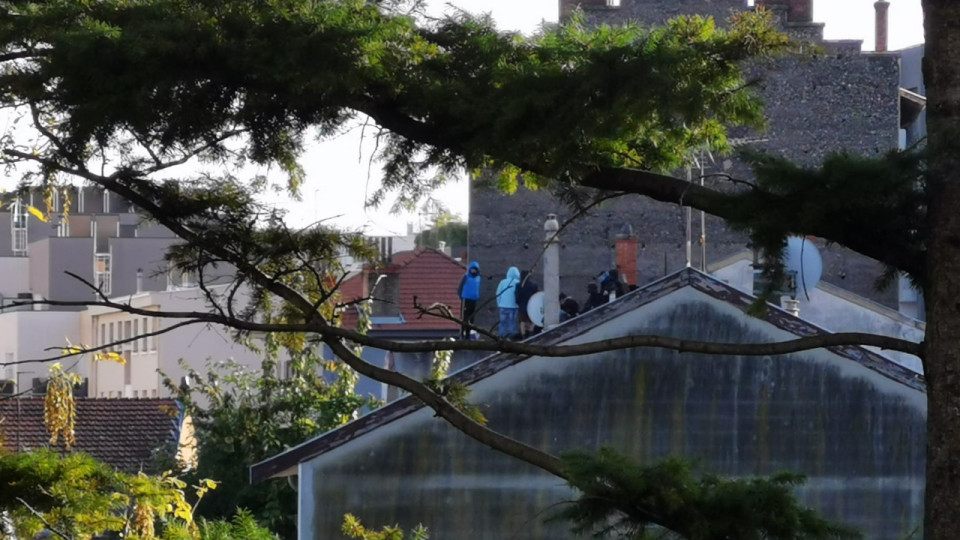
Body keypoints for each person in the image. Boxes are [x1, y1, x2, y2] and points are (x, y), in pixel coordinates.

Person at [457, 261, 481, 339]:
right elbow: (460, 288)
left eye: (475, 269)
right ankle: (462, 334)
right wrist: (461, 297)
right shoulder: (466, 277)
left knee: (471, 318)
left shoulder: (478, 278)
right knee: (464, 317)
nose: (473, 271)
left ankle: (468, 334)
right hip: (466, 299)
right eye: (472, 269)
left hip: (474, 300)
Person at [496, 266, 521, 338]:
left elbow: (498, 293)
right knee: (512, 322)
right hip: (513, 306)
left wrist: (499, 303)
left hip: (503, 306)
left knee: (502, 323)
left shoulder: (502, 282)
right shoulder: (518, 283)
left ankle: (501, 337)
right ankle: (510, 337)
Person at [516, 269, 539, 339]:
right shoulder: (533, 285)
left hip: (522, 307)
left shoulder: (518, 285)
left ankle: (523, 336)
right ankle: (531, 333)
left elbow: (517, 297)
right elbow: (536, 296)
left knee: (522, 321)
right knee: (532, 321)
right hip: (531, 306)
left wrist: (518, 303)